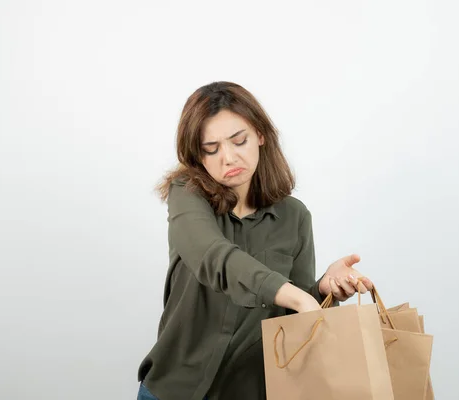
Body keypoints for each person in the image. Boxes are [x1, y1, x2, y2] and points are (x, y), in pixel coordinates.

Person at [136, 81, 374, 400]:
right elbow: (214, 257)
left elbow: (294, 321)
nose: (228, 158)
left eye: (239, 141)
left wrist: (319, 290)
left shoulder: (295, 217)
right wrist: (298, 298)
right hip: (173, 389)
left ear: (260, 135)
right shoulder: (187, 195)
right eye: (211, 148)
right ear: (198, 155)